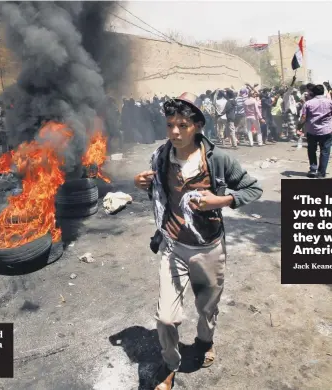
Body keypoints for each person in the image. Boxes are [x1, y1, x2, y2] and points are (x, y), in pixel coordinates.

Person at [134, 93, 262, 390]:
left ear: (198, 126)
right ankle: (170, 365)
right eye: (170, 125)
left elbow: (252, 188)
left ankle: (205, 343)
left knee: (206, 309)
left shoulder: (218, 160)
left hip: (208, 249)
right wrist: (141, 184)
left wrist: (223, 199)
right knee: (166, 318)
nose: (175, 132)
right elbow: (158, 193)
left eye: (182, 125)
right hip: (173, 247)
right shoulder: (161, 157)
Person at [298, 84, 332, 178]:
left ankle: (313, 170)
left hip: (312, 131)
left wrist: (299, 127)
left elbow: (303, 117)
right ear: (323, 92)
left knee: (312, 150)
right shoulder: (329, 102)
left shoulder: (308, 103)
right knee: (325, 152)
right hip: (326, 131)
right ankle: (321, 173)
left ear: (313, 92)